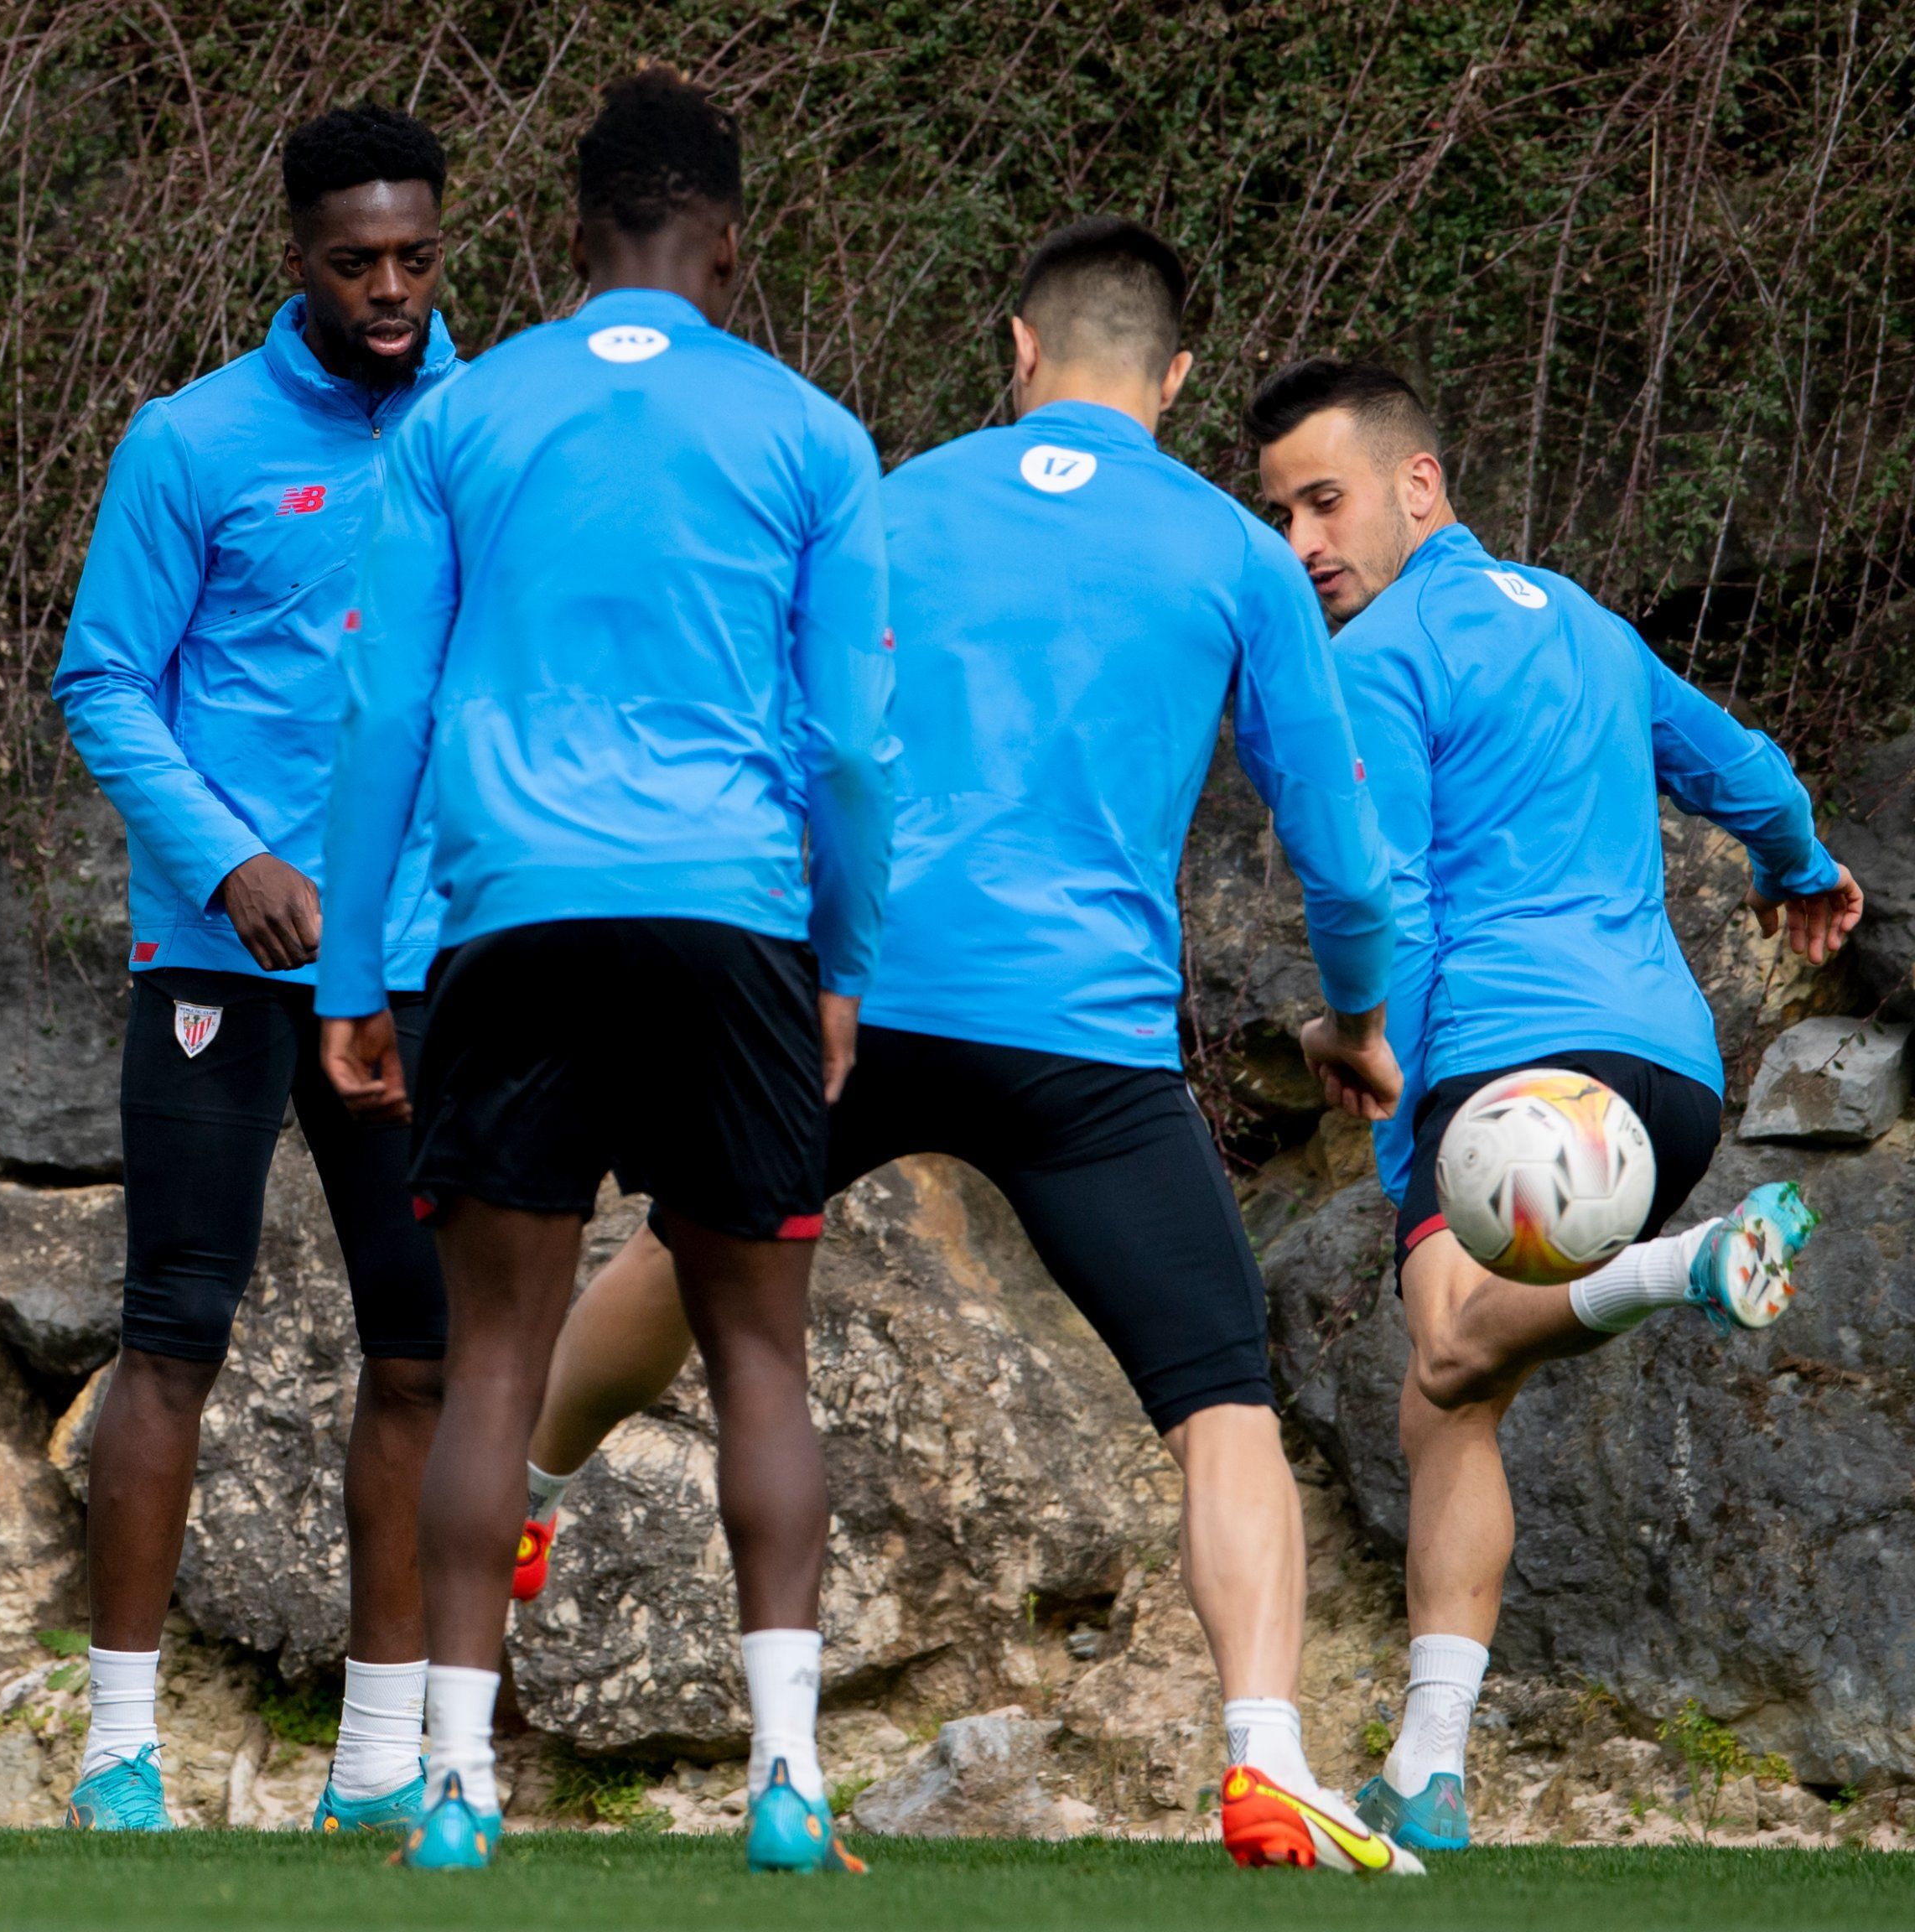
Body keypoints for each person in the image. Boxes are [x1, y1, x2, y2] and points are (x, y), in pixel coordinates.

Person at [488, 219, 1426, 1877]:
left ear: (1017, 349)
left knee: (687, 1249)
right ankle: (1265, 1758)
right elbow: (1342, 858)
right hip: (1081, 1046)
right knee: (1221, 1406)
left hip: (853, 1001)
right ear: (1175, 377)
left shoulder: (889, 497)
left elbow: (797, 734)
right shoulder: (1232, 552)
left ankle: (517, 1492)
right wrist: (1354, 1023)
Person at [314, 67, 893, 1873]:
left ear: (570, 242)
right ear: (729, 247)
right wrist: (842, 958)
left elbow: (382, 708)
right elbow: (851, 744)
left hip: (509, 922)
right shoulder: (811, 432)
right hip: (733, 920)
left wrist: (351, 976)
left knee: (491, 1361)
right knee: (760, 1358)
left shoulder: (459, 419)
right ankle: (786, 1783)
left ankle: (455, 1792)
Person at [1248, 357, 1858, 1853]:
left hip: (1507, 1075)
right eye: (1281, 518)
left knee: (1451, 1340)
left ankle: (1682, 1269)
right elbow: (1745, 771)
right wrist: (1801, 867)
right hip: (1672, 1083)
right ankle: (1429, 1768)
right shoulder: (1585, 621)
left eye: (1325, 502)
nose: (1304, 543)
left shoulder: (1381, 656)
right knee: (1447, 1403)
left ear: (1419, 483)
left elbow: (1386, 895)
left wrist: (1375, 1066)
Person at [46, 101, 459, 1837]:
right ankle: (116, 1754)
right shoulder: (190, 439)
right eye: (355, 261)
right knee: (173, 1333)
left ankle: (375, 1768)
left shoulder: (490, 428)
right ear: (296, 259)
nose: (389, 288)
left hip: (421, 961)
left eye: (414, 256)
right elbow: (101, 680)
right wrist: (229, 859)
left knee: (425, 1352)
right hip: (217, 953)